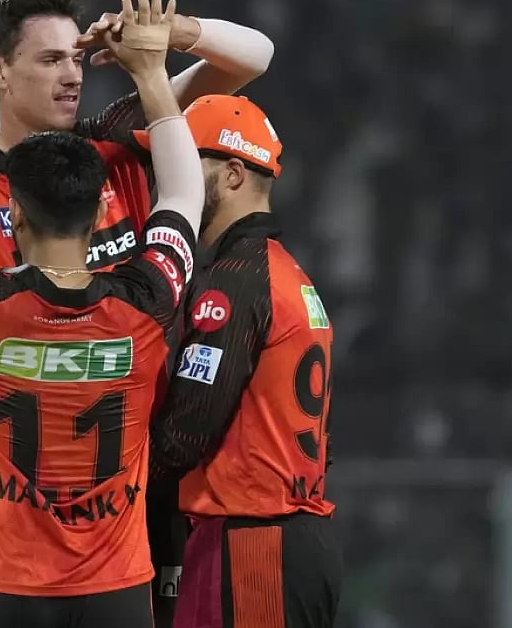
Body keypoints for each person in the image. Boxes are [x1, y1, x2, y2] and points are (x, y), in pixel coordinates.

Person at [0, 0, 201, 627]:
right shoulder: (147, 304)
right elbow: (184, 193)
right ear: (97, 218)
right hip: (116, 593)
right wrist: (150, 74)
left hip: (6, 590)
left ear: (16, 217)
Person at [0, 0, 274, 279]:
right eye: (51, 61)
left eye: (75, 59)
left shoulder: (113, 138)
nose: (73, 76)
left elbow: (255, 57)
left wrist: (174, 31)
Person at [143, 95, 344, 628]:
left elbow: (185, 432)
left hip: (253, 542)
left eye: (185, 164)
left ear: (232, 175)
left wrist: (105, 490)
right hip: (292, 536)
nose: (170, 181)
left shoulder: (233, 280)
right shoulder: (289, 275)